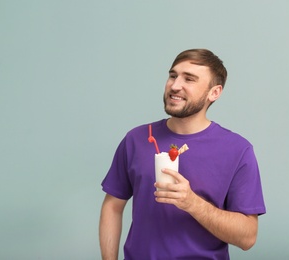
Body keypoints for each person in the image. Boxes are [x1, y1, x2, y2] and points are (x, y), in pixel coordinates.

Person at [99, 49, 266, 260]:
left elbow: (247, 237)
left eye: (189, 79)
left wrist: (192, 203)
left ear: (214, 93)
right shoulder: (137, 139)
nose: (175, 85)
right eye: (172, 75)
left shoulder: (238, 150)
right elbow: (112, 206)